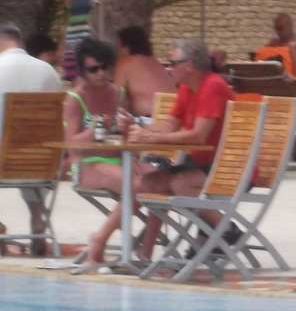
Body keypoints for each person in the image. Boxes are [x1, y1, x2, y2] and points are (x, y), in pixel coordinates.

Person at [74, 38, 233, 273]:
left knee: (174, 183)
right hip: (200, 163)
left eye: (172, 63)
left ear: (189, 65)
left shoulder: (212, 86)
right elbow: (169, 125)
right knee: (150, 183)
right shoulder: (187, 88)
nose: (167, 69)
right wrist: (141, 130)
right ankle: (141, 253)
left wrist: (148, 137)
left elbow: (198, 136)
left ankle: (224, 228)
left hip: (223, 167)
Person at [0, 21, 63, 257]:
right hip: (42, 164)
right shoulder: (49, 72)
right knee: (30, 149)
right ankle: (38, 217)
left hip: (3, 162)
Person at [61, 38, 131, 202]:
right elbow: (71, 145)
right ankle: (114, 220)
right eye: (93, 69)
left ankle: (128, 219)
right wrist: (95, 130)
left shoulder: (119, 94)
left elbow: (122, 139)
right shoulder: (75, 99)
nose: (101, 73)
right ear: (83, 72)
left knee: (156, 182)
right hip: (86, 164)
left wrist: (128, 128)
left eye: (104, 67)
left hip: (119, 160)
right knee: (134, 184)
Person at [113, 26, 174, 119]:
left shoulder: (125, 63)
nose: (117, 51)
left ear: (126, 47)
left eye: (118, 47)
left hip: (149, 119)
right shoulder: (155, 62)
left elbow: (117, 98)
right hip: (172, 117)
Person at [61, 0, 95, 83]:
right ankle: (74, 79)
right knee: (73, 54)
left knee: (86, 54)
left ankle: (85, 78)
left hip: (86, 27)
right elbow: (67, 8)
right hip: (73, 28)